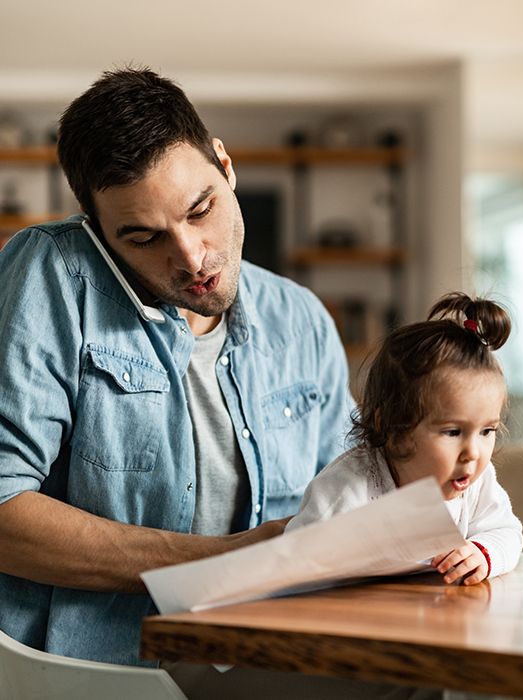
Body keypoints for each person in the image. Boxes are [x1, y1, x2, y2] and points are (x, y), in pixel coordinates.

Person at [0, 67, 355, 670]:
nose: (191, 257)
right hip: (99, 666)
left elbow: (352, 491)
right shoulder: (53, 275)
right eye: (142, 238)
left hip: (267, 648)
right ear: (96, 231)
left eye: (200, 209)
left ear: (224, 162)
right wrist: (221, 559)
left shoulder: (302, 320)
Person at [287, 293, 523, 584]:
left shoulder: (477, 482)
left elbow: (507, 532)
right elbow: (293, 565)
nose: (473, 453)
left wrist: (482, 553)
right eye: (452, 432)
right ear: (392, 428)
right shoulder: (346, 490)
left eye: (487, 431)